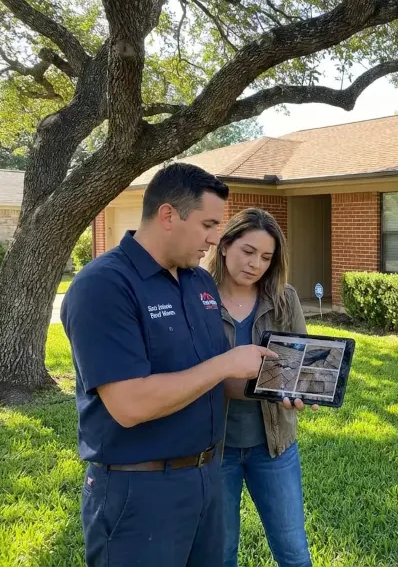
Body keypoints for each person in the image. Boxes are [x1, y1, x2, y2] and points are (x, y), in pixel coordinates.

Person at [61, 163, 278, 567]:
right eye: (208, 224)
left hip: (206, 478)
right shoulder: (104, 286)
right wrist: (226, 363)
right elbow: (130, 405)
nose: (215, 239)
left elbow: (212, 379)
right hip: (139, 490)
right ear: (167, 215)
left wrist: (272, 388)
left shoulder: (198, 282)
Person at [206, 208, 316, 567]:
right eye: (248, 252)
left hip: (274, 447)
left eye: (266, 257)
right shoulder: (196, 298)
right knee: (220, 554)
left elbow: (298, 365)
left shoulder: (285, 299)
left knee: (293, 551)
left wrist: (301, 390)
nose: (256, 264)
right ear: (225, 245)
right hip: (213, 450)